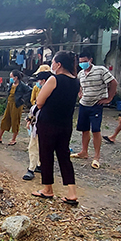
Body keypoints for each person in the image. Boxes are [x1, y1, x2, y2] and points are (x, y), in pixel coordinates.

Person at [31, 51, 81, 206]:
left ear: (58, 64)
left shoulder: (54, 79)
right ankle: (72, 193)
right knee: (64, 156)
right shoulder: (75, 81)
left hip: (48, 122)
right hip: (65, 124)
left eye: (52, 62)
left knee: (46, 155)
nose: (52, 65)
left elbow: (39, 102)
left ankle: (48, 189)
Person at [71, 51, 117, 169]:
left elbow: (113, 82)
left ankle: (96, 157)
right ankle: (84, 152)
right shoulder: (81, 74)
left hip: (96, 105)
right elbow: (79, 85)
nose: (83, 64)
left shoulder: (100, 70)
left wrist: (109, 98)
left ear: (90, 60)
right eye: (80, 62)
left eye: (85, 61)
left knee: (96, 130)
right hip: (83, 104)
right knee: (84, 129)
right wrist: (80, 93)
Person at [23, 70, 50, 180]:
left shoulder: (46, 92)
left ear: (43, 81)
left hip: (42, 123)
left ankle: (31, 169)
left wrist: (30, 118)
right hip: (43, 123)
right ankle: (39, 165)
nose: (37, 83)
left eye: (38, 81)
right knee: (40, 146)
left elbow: (37, 106)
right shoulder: (51, 91)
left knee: (33, 146)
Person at [0, 70, 31, 146]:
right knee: (5, 120)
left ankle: (13, 139)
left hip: (17, 105)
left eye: (11, 77)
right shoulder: (11, 84)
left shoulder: (22, 85)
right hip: (9, 103)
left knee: (15, 121)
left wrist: (22, 99)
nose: (10, 78)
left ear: (16, 77)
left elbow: (29, 91)